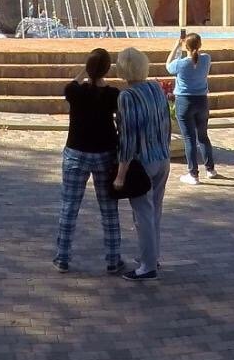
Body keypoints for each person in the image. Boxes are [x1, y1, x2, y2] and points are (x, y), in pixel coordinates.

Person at [53, 48, 123, 274]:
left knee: (69, 207)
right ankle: (113, 259)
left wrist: (85, 71)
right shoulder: (114, 94)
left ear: (87, 67)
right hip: (105, 153)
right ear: (107, 70)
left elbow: (73, 83)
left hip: (76, 151)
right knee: (109, 209)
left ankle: (62, 257)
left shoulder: (74, 91)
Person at [113, 47, 172, 281]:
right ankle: (152, 256)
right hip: (162, 157)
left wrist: (120, 174)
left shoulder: (127, 96)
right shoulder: (156, 88)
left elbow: (127, 136)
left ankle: (147, 266)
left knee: (143, 214)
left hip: (142, 162)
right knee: (154, 211)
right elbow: (165, 120)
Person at [167, 32, 217, 184]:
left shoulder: (181, 64)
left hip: (185, 101)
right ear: (200, 45)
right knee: (203, 136)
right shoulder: (206, 59)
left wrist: (176, 45)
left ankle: (193, 174)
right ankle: (210, 169)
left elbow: (168, 65)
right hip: (202, 101)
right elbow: (196, 58)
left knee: (189, 138)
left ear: (186, 46)